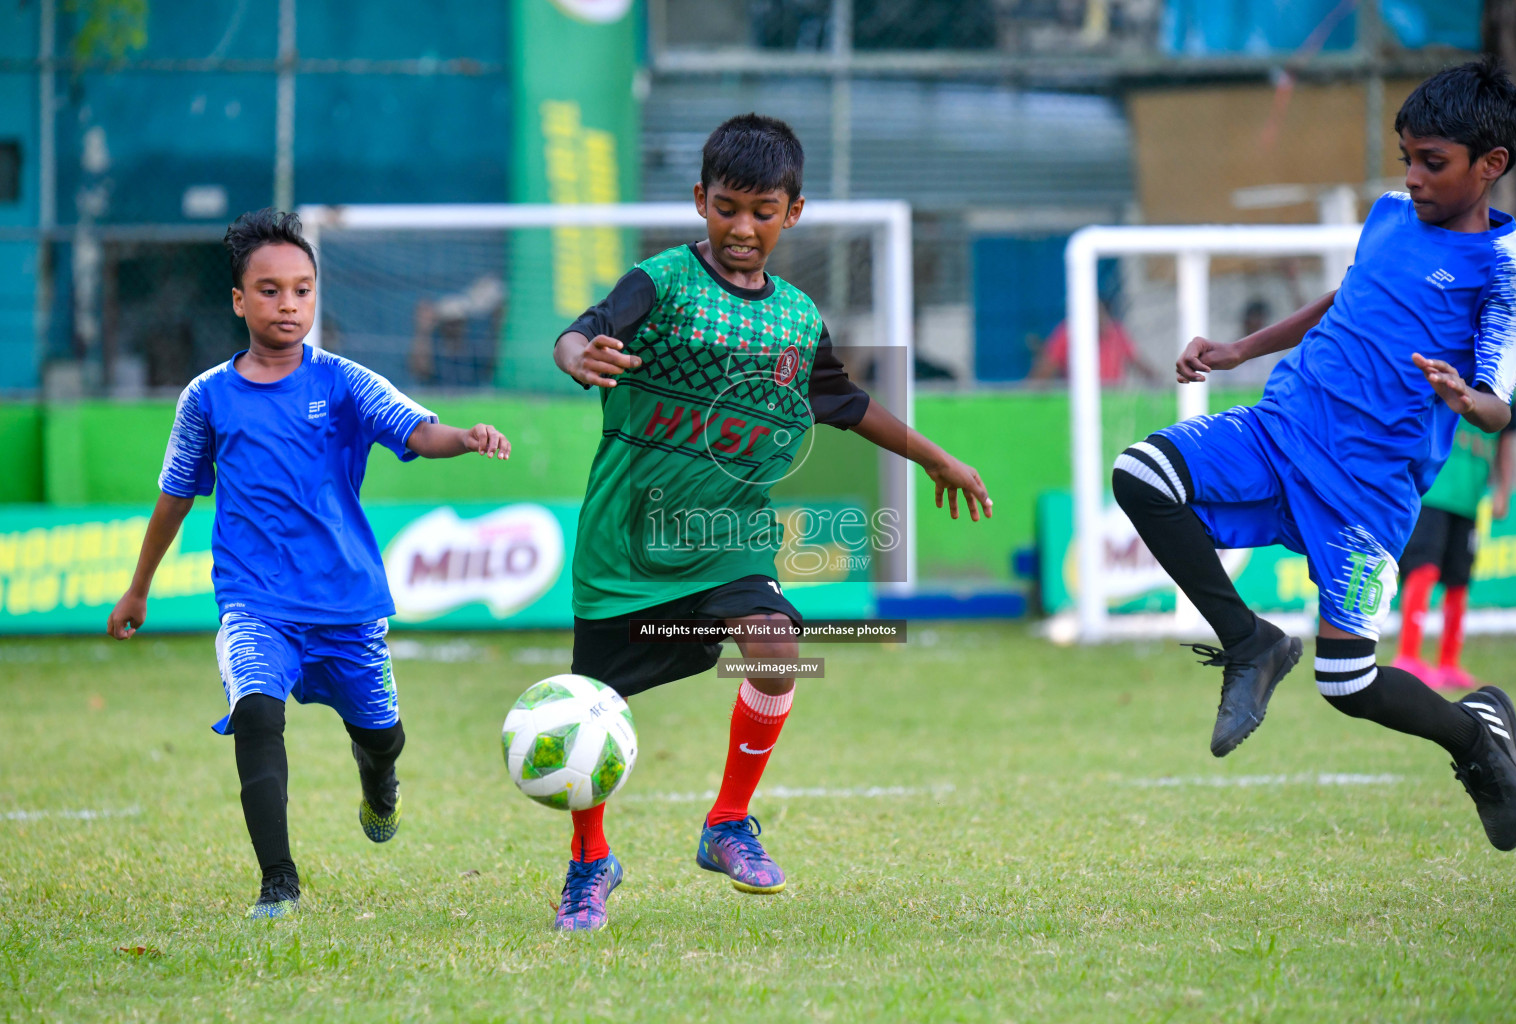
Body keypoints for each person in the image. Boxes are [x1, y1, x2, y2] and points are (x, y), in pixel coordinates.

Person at [548, 114, 992, 931]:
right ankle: (589, 865)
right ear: (699, 202)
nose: (741, 227)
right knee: (590, 708)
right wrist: (580, 356)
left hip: (730, 538)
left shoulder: (795, 318)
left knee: (778, 651)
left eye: (761, 210)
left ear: (793, 212)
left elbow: (843, 402)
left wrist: (935, 458)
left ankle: (726, 825)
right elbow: (584, 331)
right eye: (725, 208)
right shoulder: (662, 282)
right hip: (628, 539)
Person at [1111, 59, 1516, 852]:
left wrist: (1461, 395)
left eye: (1431, 163)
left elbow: (1498, 405)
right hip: (1282, 431)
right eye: (1406, 157)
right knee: (1141, 473)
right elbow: (1347, 296)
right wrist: (1240, 349)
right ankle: (1251, 642)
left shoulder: (1507, 273)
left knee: (1349, 685)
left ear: (1492, 167)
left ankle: (1477, 740)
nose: (1411, 177)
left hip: (1368, 497)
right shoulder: (1386, 215)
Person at [106, 209, 511, 918]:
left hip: (347, 603)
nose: (287, 304)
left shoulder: (347, 382)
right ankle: (278, 883)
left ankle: (378, 779)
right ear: (238, 300)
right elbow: (174, 497)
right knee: (256, 713)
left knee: (383, 737)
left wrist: (468, 437)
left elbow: (418, 429)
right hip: (253, 601)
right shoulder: (205, 398)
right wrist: (137, 590)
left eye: (301, 289)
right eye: (269, 290)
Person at [1394, 401, 1516, 690]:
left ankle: (1449, 663)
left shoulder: (1506, 381)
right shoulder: (1448, 359)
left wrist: (1503, 489)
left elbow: (1506, 436)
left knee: (1459, 580)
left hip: (1469, 500)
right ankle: (1408, 656)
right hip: (1431, 491)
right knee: (1422, 569)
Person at [1032, 299, 1157, 383]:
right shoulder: (1068, 333)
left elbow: (1139, 363)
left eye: (1103, 315)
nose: (1101, 321)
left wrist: (1159, 382)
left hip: (1111, 399)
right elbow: (1044, 371)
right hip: (1078, 397)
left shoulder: (1116, 333)